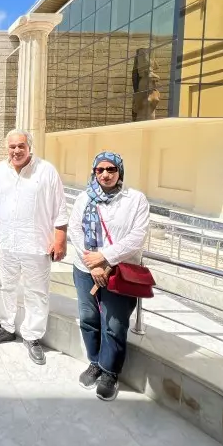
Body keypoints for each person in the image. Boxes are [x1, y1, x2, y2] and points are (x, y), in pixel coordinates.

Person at [68, 151, 150, 401]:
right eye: (100, 170)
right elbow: (75, 230)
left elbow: (137, 237)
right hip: (86, 270)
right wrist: (92, 263)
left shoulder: (135, 199)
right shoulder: (84, 198)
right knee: (88, 318)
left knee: (114, 324)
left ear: (119, 172)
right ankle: (95, 362)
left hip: (118, 271)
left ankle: (109, 372)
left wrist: (104, 257)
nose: (105, 174)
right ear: (94, 172)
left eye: (111, 169)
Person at [0, 129, 68, 365]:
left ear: (29, 147)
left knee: (37, 291)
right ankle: (5, 327)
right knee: (3, 286)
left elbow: (60, 207)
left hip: (36, 243)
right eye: (12, 146)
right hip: (6, 242)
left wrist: (60, 239)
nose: (16, 151)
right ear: (7, 148)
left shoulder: (46, 171)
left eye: (21, 146)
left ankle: (32, 336)